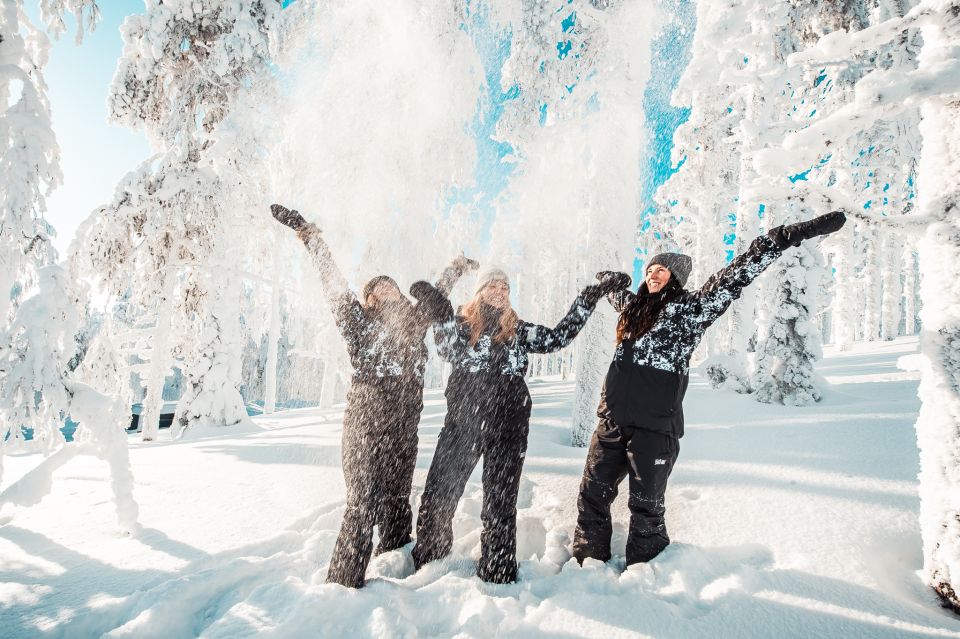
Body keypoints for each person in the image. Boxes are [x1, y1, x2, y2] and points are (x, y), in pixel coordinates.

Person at [572, 211, 847, 567]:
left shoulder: (691, 310)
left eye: (662, 270)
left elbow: (735, 277)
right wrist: (610, 280)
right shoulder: (632, 307)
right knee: (592, 496)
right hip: (610, 423)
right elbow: (613, 291)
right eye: (650, 270)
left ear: (676, 279)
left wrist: (786, 236)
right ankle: (586, 563)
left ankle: (645, 575)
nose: (653, 275)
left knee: (646, 506)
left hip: (654, 430)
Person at [270, 203, 477, 588]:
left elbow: (436, 294)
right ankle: (342, 588)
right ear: (369, 300)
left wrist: (456, 267)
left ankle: (396, 564)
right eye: (377, 287)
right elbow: (332, 282)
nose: (386, 288)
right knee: (362, 504)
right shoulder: (358, 322)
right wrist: (309, 235)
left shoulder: (415, 320)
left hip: (403, 428)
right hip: (365, 423)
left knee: (398, 501)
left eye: (391, 284)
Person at [408, 267, 631, 583]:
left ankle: (497, 573)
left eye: (505, 287)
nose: (499, 290)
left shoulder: (517, 331)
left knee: (500, 503)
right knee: (439, 496)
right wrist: (442, 312)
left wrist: (589, 297)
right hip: (463, 425)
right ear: (479, 291)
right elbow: (447, 350)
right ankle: (430, 564)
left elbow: (557, 338)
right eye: (492, 285)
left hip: (508, 428)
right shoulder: (460, 326)